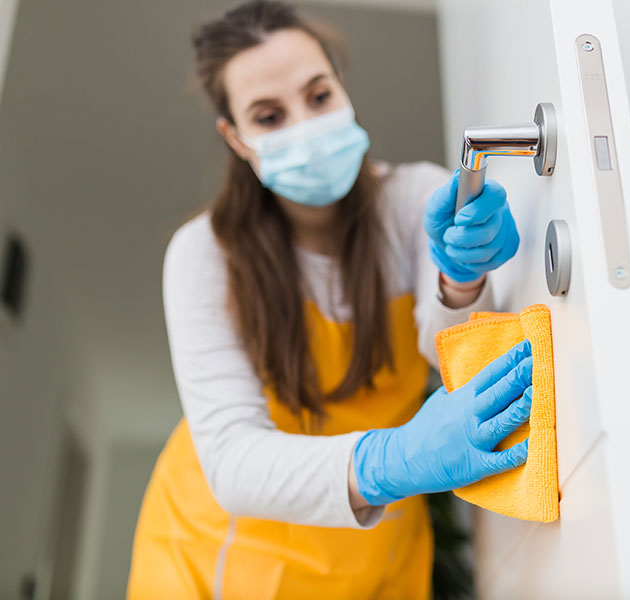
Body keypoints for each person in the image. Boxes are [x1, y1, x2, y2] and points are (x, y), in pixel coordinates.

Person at [126, 1, 533, 598]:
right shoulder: (205, 255)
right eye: (269, 116)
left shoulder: (413, 198)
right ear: (236, 138)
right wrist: (389, 460)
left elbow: (457, 361)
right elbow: (233, 461)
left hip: (378, 549)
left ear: (342, 87)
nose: (305, 126)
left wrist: (462, 283)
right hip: (220, 556)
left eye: (318, 97)